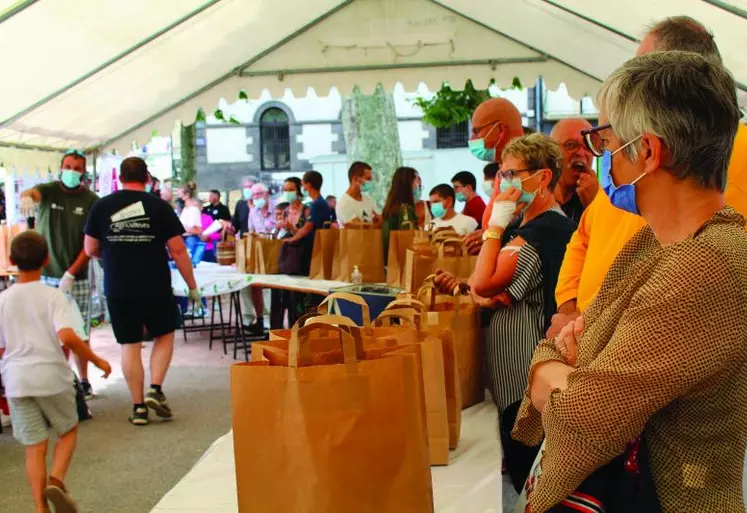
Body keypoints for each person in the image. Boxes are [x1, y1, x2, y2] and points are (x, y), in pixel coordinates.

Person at [514, 51, 747, 513]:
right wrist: (568, 362)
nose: (602, 158)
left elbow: (588, 412)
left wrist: (551, 370)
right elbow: (567, 343)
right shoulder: (655, 243)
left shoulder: (707, 264)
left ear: (648, 151)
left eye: (608, 141)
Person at [547, 15, 747, 339]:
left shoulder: (713, 185)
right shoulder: (630, 167)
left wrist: (558, 360)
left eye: (641, 72)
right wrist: (569, 307)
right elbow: (583, 235)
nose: (630, 83)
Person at [0, 231, 111, 513]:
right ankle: (57, 480)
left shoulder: (3, 300)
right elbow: (68, 336)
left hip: (16, 380)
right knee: (68, 430)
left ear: (11, 261)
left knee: (34, 446)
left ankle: (40, 507)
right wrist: (96, 361)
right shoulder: (54, 296)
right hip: (51, 376)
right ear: (47, 260)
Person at [84, 157, 200, 426]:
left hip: (118, 285)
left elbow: (90, 249)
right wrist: (191, 286)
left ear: (120, 177)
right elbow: (178, 249)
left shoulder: (102, 206)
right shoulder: (159, 206)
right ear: (147, 178)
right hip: (154, 283)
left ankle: (138, 408)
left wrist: (113, 251)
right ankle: (155, 389)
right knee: (164, 335)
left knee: (130, 344)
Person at [19, 149, 99, 399]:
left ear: (84, 172)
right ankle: (56, 379)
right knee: (49, 332)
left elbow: (91, 244)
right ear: (60, 167)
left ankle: (84, 380)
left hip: (78, 276)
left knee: (79, 332)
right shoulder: (50, 190)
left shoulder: (91, 200)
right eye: (68, 166)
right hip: (45, 275)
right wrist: (27, 198)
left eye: (77, 168)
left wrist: (72, 273)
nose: (72, 172)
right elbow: (33, 193)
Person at [464, 98, 524, 254]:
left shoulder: (527, 174)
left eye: (476, 131)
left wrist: (490, 236)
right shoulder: (501, 173)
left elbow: (528, 232)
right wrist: (485, 235)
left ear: (500, 130)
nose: (471, 139)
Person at [270, 177, 307, 329]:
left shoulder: (306, 210)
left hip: (300, 259)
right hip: (284, 259)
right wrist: (278, 228)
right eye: (285, 189)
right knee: (278, 300)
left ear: (299, 190)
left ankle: (296, 334)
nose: (287, 192)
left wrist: (292, 228)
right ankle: (276, 335)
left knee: (295, 303)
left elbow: (306, 235)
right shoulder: (285, 211)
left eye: (291, 189)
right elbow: (277, 236)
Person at [549, 118, 597, 224]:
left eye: (588, 147)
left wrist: (596, 204)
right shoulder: (535, 196)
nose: (580, 153)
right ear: (552, 151)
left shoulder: (602, 199)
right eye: (571, 145)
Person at [244, 183, 276, 335]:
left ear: (267, 193)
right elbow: (251, 233)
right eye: (254, 195)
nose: (256, 198)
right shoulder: (253, 212)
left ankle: (274, 324)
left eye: (259, 194)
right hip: (258, 254)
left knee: (274, 289)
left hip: (275, 252)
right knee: (254, 285)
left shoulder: (277, 208)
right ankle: (260, 321)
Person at [381, 167, 421, 260]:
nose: (418, 185)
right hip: (401, 262)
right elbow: (408, 239)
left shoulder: (389, 209)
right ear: (408, 183)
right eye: (416, 181)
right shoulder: (405, 210)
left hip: (389, 261)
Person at [336, 161, 380, 225]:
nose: (371, 182)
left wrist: (377, 221)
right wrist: (380, 223)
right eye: (368, 178)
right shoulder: (344, 203)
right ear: (355, 179)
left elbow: (371, 222)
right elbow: (359, 229)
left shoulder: (368, 200)